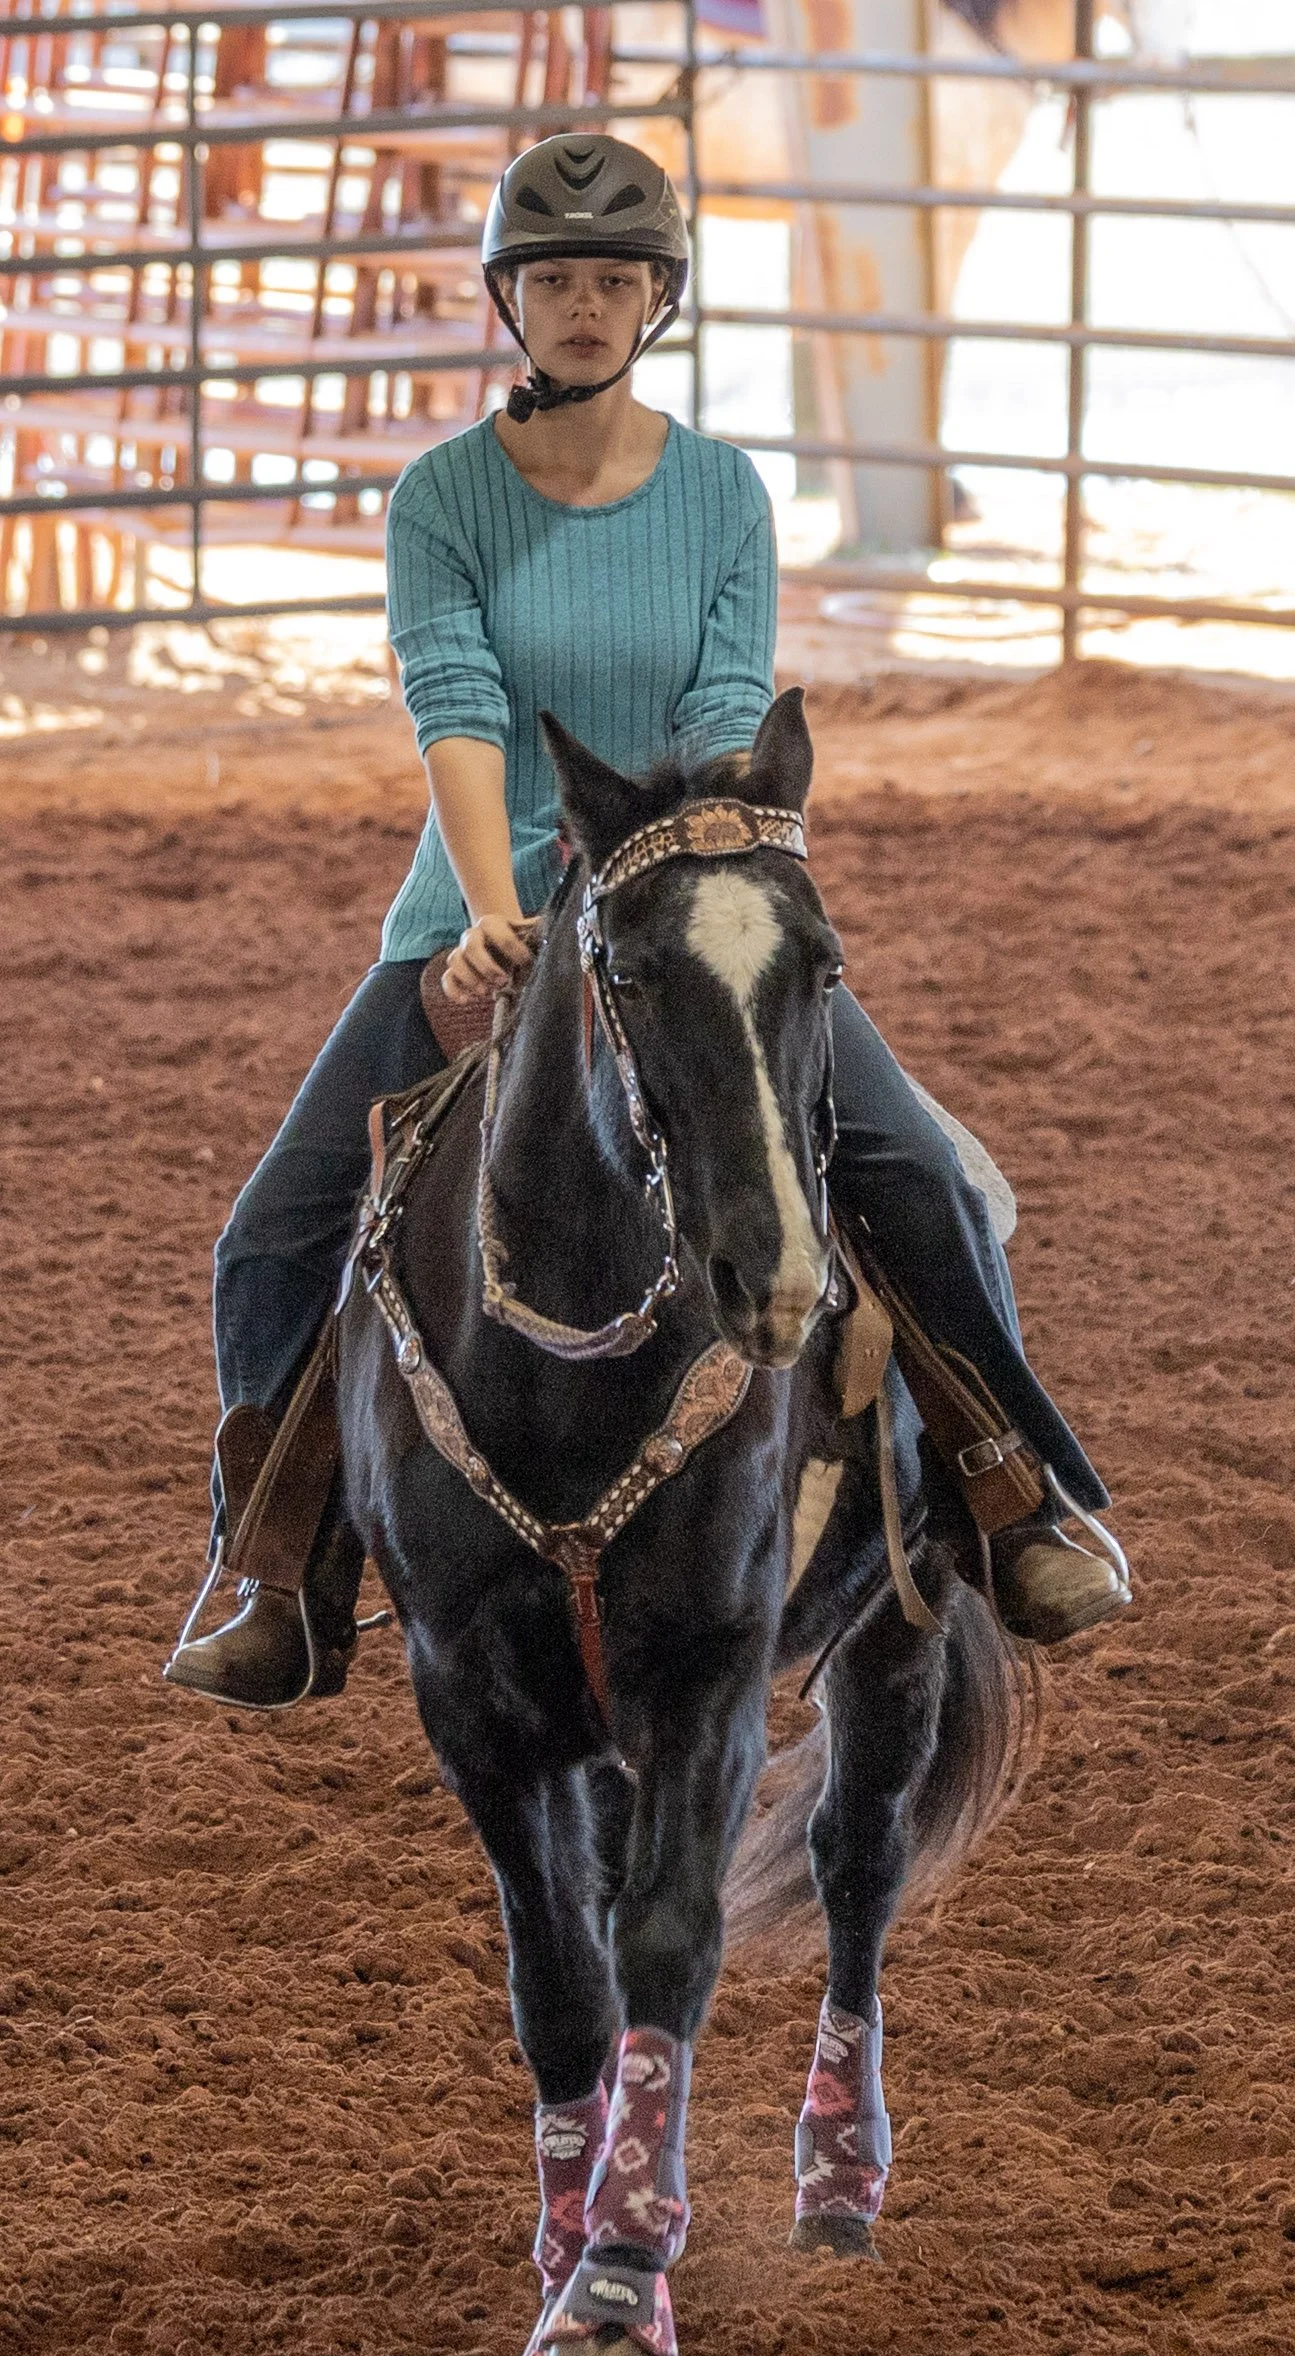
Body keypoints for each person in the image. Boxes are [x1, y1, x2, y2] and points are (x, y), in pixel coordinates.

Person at [165, 133, 1129, 1713]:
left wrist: (654, 895)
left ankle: (1013, 1483)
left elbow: (725, 708)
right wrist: (489, 911)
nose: (587, 306)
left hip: (690, 907)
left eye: (617, 280)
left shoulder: (722, 493)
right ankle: (273, 1565)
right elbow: (455, 701)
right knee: (274, 1232)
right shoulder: (442, 498)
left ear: (657, 301)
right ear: (510, 300)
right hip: (480, 917)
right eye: (556, 279)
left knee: (914, 1170)